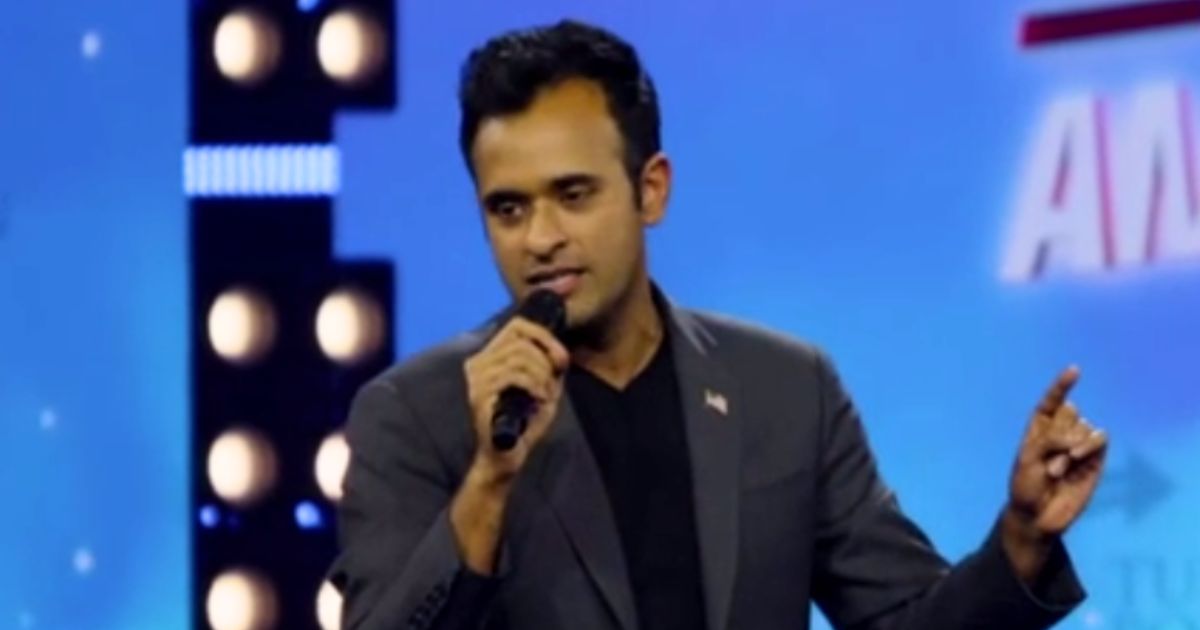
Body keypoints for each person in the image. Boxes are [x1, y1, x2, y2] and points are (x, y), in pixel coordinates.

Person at [329, 19, 1109, 630]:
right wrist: (489, 484)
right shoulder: (417, 415)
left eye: (573, 194)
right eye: (508, 208)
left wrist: (1021, 538)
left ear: (652, 190)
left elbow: (904, 620)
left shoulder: (785, 389)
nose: (539, 238)